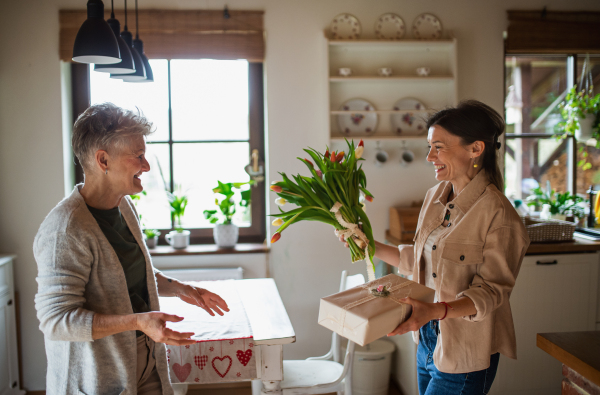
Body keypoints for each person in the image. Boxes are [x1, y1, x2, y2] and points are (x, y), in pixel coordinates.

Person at [34, 103, 229, 395]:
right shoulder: (65, 229)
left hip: (144, 359)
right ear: (103, 160)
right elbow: (57, 321)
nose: (146, 166)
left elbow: (126, 275)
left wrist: (179, 288)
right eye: (138, 156)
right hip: (96, 376)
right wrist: (138, 321)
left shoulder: (123, 206)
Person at [340, 100, 530, 394]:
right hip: (426, 337)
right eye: (429, 146)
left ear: (475, 148)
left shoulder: (499, 215)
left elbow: (491, 293)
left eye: (438, 147)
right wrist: (368, 244)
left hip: (465, 349)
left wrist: (434, 311)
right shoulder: (435, 196)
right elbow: (416, 260)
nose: (429, 156)